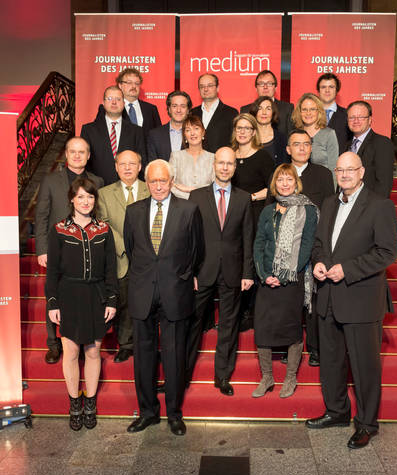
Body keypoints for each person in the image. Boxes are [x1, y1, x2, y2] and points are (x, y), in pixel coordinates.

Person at [305, 152, 397, 450]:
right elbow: (320, 244)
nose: (344, 175)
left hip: (361, 299)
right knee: (331, 361)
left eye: (350, 170)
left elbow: (386, 252)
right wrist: (318, 262)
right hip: (328, 296)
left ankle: (367, 424)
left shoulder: (380, 206)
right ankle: (337, 411)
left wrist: (347, 269)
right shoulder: (329, 203)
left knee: (364, 366)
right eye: (340, 170)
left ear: (361, 172)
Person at [123, 160, 204, 436]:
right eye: (153, 181)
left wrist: (182, 275)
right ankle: (147, 413)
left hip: (175, 292)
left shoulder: (189, 210)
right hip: (142, 292)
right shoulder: (134, 211)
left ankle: (174, 414)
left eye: (163, 181)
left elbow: (197, 250)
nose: (158, 186)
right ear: (147, 183)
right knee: (143, 357)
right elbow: (132, 249)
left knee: (175, 357)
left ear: (171, 181)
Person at [46, 178, 118, 431]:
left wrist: (112, 299)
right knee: (71, 352)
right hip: (68, 296)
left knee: (93, 352)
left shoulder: (104, 230)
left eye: (90, 197)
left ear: (94, 200)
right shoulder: (58, 230)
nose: (85, 202)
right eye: (80, 197)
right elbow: (52, 271)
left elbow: (111, 269)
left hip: (96, 296)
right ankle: (74, 404)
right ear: (72, 199)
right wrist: (52, 303)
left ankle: (90, 403)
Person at [187, 147, 254, 396]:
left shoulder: (244, 199)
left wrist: (247, 272)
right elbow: (189, 238)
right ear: (213, 165)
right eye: (221, 163)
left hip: (233, 271)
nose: (225, 167)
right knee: (191, 324)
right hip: (202, 270)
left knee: (229, 325)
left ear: (235, 167)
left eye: (230, 164)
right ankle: (182, 374)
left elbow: (248, 238)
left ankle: (223, 376)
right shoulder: (196, 196)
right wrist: (190, 272)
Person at [35, 137, 105, 364]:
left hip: (87, 248)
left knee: (84, 295)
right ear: (66, 154)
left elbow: (99, 215)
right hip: (57, 249)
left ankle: (82, 339)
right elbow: (41, 215)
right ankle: (53, 343)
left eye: (81, 152)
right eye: (72, 151)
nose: (77, 155)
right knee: (53, 294)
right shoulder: (50, 180)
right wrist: (42, 249)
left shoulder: (97, 181)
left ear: (88, 156)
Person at [252, 164, 318, 399]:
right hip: (266, 280)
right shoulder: (267, 211)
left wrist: (283, 275)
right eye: (280, 180)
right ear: (274, 184)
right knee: (262, 329)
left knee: (291, 329)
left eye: (289, 179)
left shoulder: (307, 210)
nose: (285, 184)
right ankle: (267, 377)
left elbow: (307, 246)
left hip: (292, 280)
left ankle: (290, 378)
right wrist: (264, 275)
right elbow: (259, 244)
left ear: (296, 182)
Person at [283, 129, 334, 367]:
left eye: (306, 144)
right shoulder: (282, 173)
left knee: (313, 299)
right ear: (288, 149)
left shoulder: (323, 174)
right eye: (296, 144)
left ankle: (315, 348)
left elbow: (330, 210)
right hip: (287, 247)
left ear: (311, 148)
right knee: (290, 300)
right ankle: (288, 346)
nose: (302, 148)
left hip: (314, 244)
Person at [96, 150, 150, 364]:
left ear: (140, 167)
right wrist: (126, 246)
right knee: (124, 302)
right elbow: (104, 224)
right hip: (120, 257)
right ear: (116, 167)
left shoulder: (151, 188)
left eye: (132, 163)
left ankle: (146, 343)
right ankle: (126, 344)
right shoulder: (104, 194)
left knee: (147, 302)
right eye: (123, 164)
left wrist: (143, 247)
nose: (127, 168)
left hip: (148, 257)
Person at [81, 86, 146, 184]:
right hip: (97, 187)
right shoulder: (88, 130)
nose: (114, 102)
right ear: (103, 103)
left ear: (124, 104)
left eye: (118, 99)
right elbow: (84, 163)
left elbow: (142, 162)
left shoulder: (136, 131)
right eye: (110, 98)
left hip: (128, 187)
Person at [230, 113, 275, 226]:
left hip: (255, 213)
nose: (242, 132)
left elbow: (272, 188)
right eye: (239, 128)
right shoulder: (229, 155)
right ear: (235, 131)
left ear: (254, 132)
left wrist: (251, 198)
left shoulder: (263, 156)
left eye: (247, 128)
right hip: (232, 212)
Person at [346, 100, 395, 199]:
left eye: (361, 117)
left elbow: (384, 184)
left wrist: (374, 207)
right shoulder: (346, 145)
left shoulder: (382, 143)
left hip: (369, 204)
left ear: (370, 120)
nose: (356, 121)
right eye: (352, 117)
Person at [292, 93, 339, 177]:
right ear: (299, 112)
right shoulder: (294, 135)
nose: (308, 113)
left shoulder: (329, 134)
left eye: (312, 109)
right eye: (304, 109)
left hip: (323, 182)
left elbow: (334, 168)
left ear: (319, 111)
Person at [168, 115, 215, 199]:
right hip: (181, 203)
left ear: (203, 132)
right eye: (188, 130)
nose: (192, 133)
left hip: (206, 203)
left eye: (196, 128)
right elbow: (170, 185)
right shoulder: (176, 156)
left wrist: (192, 190)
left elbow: (215, 186)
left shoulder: (213, 158)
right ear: (184, 135)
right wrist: (189, 197)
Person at [191, 73, 238, 153]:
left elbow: (235, 142)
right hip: (195, 159)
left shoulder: (231, 113)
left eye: (210, 86)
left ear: (217, 88)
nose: (205, 89)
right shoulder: (192, 113)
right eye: (202, 86)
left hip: (221, 159)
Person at [240, 70, 294, 137]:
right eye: (261, 84)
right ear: (256, 88)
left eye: (269, 84)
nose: (265, 87)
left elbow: (291, 137)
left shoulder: (287, 108)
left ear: (275, 88)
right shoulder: (245, 110)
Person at [147, 90, 192, 162]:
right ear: (169, 109)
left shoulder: (195, 134)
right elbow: (153, 164)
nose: (178, 110)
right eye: (174, 106)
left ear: (188, 110)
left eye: (183, 106)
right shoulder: (155, 135)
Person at [116, 67, 162, 135]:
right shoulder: (114, 108)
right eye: (129, 83)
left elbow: (159, 134)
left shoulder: (151, 109)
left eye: (137, 83)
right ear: (120, 85)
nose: (133, 86)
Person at [248, 96, 289, 166]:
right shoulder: (248, 137)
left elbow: (285, 166)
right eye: (260, 108)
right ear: (255, 112)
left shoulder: (282, 138)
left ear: (273, 113)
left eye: (268, 109)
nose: (264, 112)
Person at [317, 73, 349, 154]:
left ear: (337, 90)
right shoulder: (310, 115)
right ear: (318, 91)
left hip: (339, 160)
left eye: (331, 87)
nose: (327, 90)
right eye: (323, 87)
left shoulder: (347, 115)